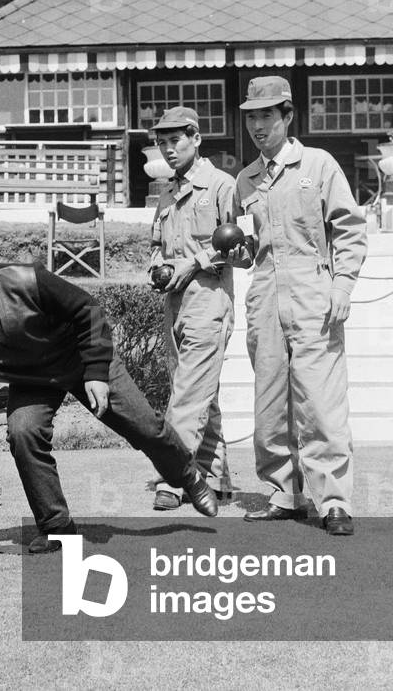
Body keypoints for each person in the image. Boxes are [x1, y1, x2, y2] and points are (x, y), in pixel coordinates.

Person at [0, 215, 220, 556]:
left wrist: (97, 371)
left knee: (145, 427)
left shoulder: (23, 279)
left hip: (81, 358)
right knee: (23, 432)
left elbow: (88, 311)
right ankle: (57, 530)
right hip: (32, 378)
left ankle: (188, 476)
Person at [236, 76, 367, 536]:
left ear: (288, 116)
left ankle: (333, 500)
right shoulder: (245, 180)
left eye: (266, 115)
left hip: (314, 295)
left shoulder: (318, 165)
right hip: (265, 298)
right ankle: (283, 493)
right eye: (251, 116)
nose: (257, 125)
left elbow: (349, 229)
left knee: (320, 402)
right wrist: (239, 254)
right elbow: (249, 248)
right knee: (270, 401)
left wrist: (343, 288)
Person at [148, 106, 250, 511]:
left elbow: (243, 250)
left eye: (175, 140)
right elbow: (157, 244)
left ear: (196, 138)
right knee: (198, 391)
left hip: (209, 300)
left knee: (189, 392)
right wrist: (157, 267)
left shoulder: (222, 185)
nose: (168, 149)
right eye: (162, 142)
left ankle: (172, 480)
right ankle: (216, 475)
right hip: (175, 301)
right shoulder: (168, 191)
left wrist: (195, 262)